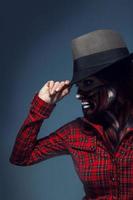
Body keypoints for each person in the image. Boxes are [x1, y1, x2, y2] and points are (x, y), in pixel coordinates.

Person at [9, 29, 133, 200]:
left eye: (88, 83)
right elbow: (21, 157)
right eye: (78, 86)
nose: (79, 94)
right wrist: (42, 105)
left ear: (116, 83)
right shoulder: (74, 133)